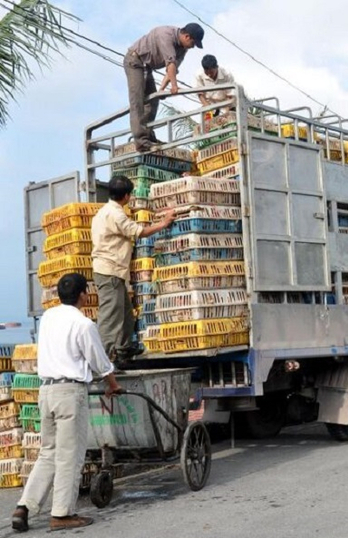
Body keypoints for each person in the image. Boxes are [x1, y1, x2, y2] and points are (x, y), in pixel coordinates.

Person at [11, 273, 122, 532]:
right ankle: (62, 514)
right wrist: (113, 385)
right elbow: (99, 361)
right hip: (70, 394)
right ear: (84, 294)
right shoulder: (84, 325)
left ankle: (24, 507)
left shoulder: (48, 318)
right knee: (70, 457)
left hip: (46, 392)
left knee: (48, 453)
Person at [91, 176, 175, 362]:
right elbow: (139, 232)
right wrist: (163, 223)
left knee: (126, 314)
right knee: (110, 318)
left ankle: (124, 350)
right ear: (127, 196)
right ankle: (102, 362)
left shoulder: (103, 212)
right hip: (109, 271)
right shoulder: (116, 214)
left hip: (114, 272)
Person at [124, 23, 205, 152]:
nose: (193, 47)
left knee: (153, 100)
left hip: (147, 67)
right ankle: (141, 141)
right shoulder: (166, 35)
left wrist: (162, 89)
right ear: (187, 36)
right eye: (193, 43)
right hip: (135, 61)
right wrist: (174, 86)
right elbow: (170, 64)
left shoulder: (182, 49)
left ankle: (149, 136)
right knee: (137, 101)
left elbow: (172, 70)